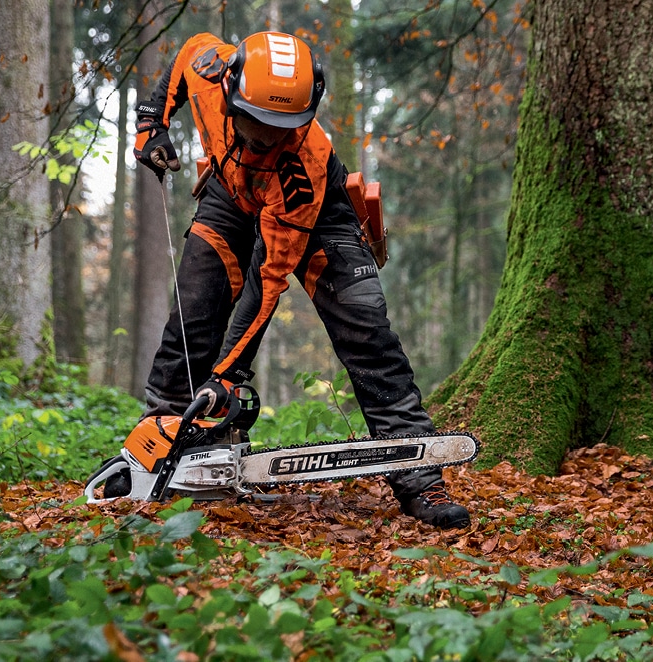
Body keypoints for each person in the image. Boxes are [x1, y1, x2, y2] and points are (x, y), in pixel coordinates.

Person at [125, 30, 470, 529]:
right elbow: (180, 64)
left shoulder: (302, 165)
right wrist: (150, 124)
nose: (266, 137)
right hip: (230, 194)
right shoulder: (208, 68)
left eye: (281, 126)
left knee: (366, 330)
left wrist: (227, 376)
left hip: (314, 213)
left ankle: (420, 478)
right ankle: (154, 453)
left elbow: (268, 281)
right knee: (193, 312)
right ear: (228, 89)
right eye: (256, 122)